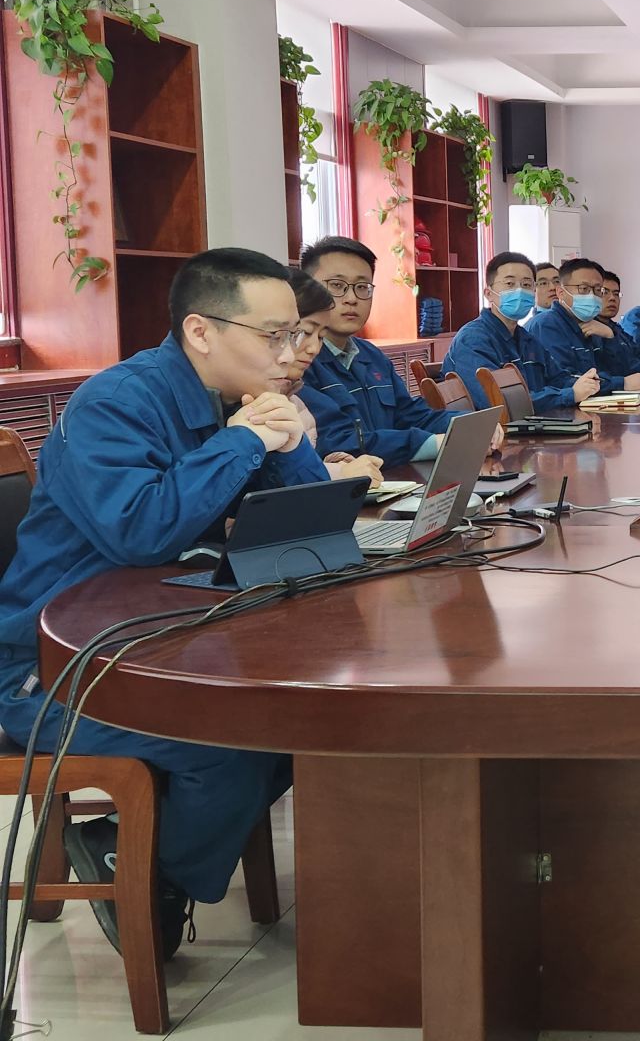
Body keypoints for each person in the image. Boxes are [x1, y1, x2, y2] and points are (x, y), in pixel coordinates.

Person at [0, 249, 326, 958]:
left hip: (160, 643)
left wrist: (291, 443)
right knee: (231, 748)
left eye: (298, 334)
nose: (292, 353)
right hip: (55, 671)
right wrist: (244, 442)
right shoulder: (116, 403)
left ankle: (134, 852)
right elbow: (141, 531)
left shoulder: (237, 398)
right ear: (201, 331)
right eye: (274, 335)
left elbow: (309, 526)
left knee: (309, 726)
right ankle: (146, 878)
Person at [299, 236, 485, 464]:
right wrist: (432, 444)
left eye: (362, 287)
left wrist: (470, 424)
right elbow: (338, 443)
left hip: (396, 479)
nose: (351, 299)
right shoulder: (299, 364)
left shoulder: (371, 355)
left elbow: (412, 415)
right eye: (337, 285)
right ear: (306, 290)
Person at [441, 251, 602, 412]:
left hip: (534, 422)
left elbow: (558, 379)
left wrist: (586, 384)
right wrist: (569, 395)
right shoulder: (473, 339)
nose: (519, 291)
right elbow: (498, 401)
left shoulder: (527, 339)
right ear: (489, 294)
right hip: (493, 427)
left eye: (526, 285)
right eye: (510, 284)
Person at [284, 269, 384, 488]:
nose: (313, 348)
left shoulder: (293, 397)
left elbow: (297, 467)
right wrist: (337, 473)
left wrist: (335, 463)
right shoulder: (262, 397)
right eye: (304, 333)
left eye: (321, 337)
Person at [528, 258, 640, 393]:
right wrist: (622, 383)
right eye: (583, 289)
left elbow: (622, 370)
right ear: (561, 292)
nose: (591, 296)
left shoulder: (593, 324)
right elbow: (565, 379)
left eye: (597, 290)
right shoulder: (546, 325)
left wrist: (610, 337)